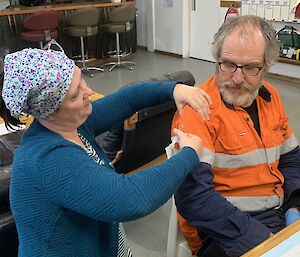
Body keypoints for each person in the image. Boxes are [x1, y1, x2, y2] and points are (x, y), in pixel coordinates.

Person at [0, 45, 212, 257]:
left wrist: (174, 89)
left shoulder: (72, 124)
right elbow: (131, 198)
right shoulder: (48, 160)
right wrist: (188, 154)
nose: (88, 91)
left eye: (81, 79)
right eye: (75, 94)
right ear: (50, 112)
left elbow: (127, 99)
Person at [172, 15, 300, 257]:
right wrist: (262, 240)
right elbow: (194, 198)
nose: (237, 78)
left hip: (280, 211)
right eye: (228, 64)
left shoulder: (271, 97)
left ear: (267, 65)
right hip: (224, 229)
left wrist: (295, 206)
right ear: (217, 59)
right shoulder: (198, 111)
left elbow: (292, 159)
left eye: (250, 68)